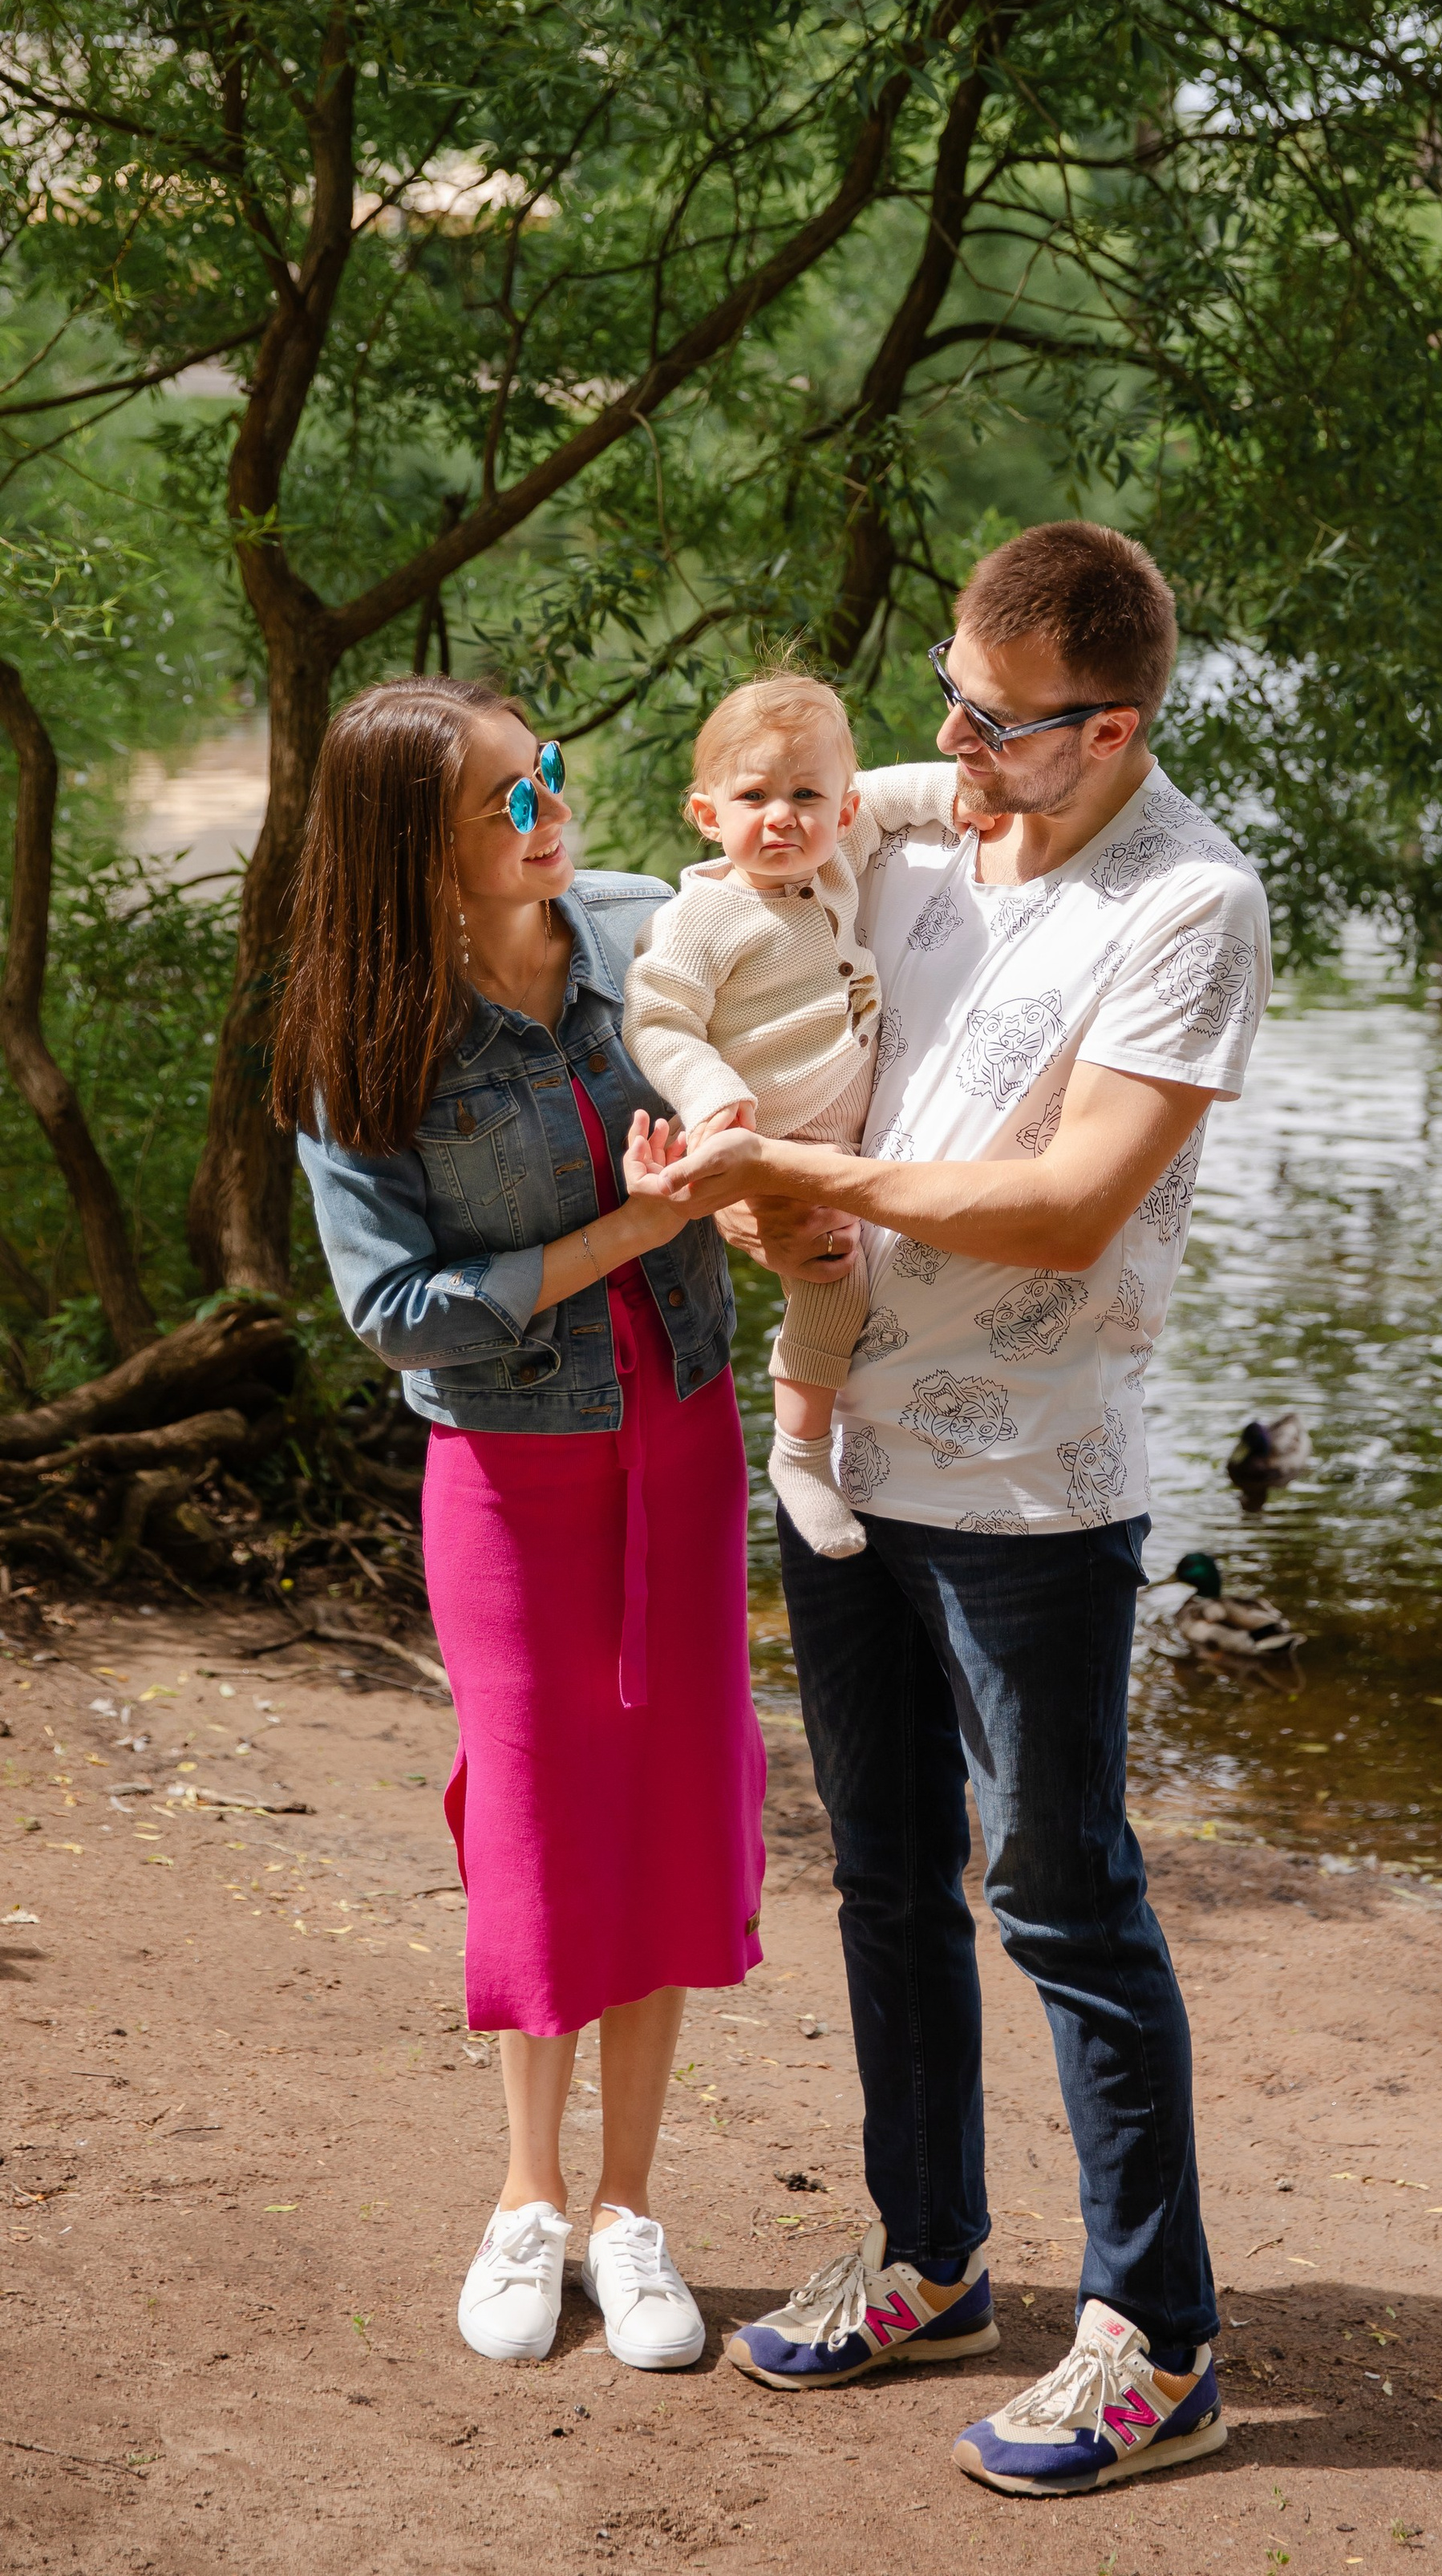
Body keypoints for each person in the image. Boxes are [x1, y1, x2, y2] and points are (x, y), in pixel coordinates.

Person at [634, 523, 1272, 2496]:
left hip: (1030, 1492)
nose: (946, 736)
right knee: (888, 1880)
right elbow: (738, 837)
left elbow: (1074, 1195)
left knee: (1063, 1894)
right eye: (943, 691)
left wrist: (808, 1159)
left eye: (992, 720)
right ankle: (930, 2250)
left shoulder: (1190, 900)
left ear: (1113, 727)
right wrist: (736, 1166)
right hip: (850, 1464)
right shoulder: (916, 823)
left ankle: (1155, 2337)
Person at [276, 677, 763, 2375]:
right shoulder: (357, 1039)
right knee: (539, 1826)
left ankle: (630, 2211)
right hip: (508, 1467)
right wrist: (627, 1235)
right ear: (411, 843)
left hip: (683, 1435)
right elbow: (394, 1308)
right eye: (499, 796)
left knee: (669, 1808)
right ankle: (526, 2202)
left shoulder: (649, 935)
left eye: (544, 772)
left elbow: (830, 831)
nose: (544, 809)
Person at [621, 672, 957, 1557]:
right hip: (768, 1135)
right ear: (706, 814)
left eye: (806, 796)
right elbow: (656, 1019)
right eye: (754, 796)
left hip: (848, 1128)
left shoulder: (838, 853)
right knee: (831, 1280)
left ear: (839, 814)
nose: (782, 816)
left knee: (859, 1267)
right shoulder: (703, 917)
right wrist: (706, 1097)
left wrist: (964, 795)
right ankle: (800, 1456)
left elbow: (885, 792)